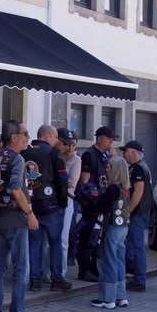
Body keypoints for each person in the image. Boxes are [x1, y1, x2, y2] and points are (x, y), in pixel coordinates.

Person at [0, 120, 40, 312]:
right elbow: (16, 187)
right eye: (25, 133)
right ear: (14, 137)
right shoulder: (17, 158)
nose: (28, 137)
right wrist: (29, 213)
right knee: (21, 268)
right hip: (16, 219)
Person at [23, 125, 71, 292]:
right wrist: (63, 201)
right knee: (55, 242)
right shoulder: (53, 152)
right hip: (51, 205)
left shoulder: (25, 152)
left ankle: (35, 280)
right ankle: (57, 279)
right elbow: (62, 178)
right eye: (56, 137)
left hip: (30, 205)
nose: (57, 141)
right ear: (49, 136)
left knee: (34, 243)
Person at [90, 157, 131, 309]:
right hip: (124, 227)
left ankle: (108, 298)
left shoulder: (113, 188)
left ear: (115, 170)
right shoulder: (125, 189)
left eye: (109, 167)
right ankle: (121, 296)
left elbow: (100, 206)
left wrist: (94, 199)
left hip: (112, 227)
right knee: (120, 261)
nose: (106, 170)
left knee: (108, 261)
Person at [76, 126, 115, 282]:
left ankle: (93, 267)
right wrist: (91, 201)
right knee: (86, 238)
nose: (111, 141)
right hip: (90, 204)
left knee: (96, 240)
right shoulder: (90, 155)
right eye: (108, 138)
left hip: (101, 202)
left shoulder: (105, 155)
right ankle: (84, 270)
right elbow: (84, 182)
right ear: (99, 138)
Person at [120, 141, 153, 293]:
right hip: (140, 212)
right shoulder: (138, 166)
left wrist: (128, 211)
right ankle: (136, 275)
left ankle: (140, 280)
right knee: (134, 244)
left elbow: (138, 192)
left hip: (138, 212)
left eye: (125, 151)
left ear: (133, 152)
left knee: (137, 245)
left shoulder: (139, 168)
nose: (123, 154)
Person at [56, 128, 81, 276]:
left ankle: (61, 272)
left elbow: (72, 183)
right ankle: (47, 272)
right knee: (48, 239)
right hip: (52, 201)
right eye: (66, 144)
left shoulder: (76, 160)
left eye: (72, 145)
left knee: (63, 238)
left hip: (66, 200)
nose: (70, 148)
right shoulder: (54, 156)